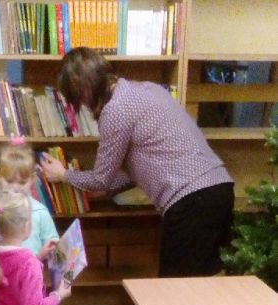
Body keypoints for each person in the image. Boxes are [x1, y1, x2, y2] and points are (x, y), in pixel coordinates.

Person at [40, 47, 235, 279]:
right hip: (220, 191)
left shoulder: (115, 110)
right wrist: (104, 190)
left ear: (85, 88)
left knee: (176, 289)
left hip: (191, 202)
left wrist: (63, 175)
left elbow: (101, 179)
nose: (83, 105)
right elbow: (139, 169)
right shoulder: (148, 89)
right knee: (203, 286)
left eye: (79, 98)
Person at [0, 137, 59, 261]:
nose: (15, 188)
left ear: (33, 179)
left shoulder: (40, 212)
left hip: (33, 271)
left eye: (22, 182)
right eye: (9, 181)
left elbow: (53, 246)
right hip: (0, 272)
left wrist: (46, 253)